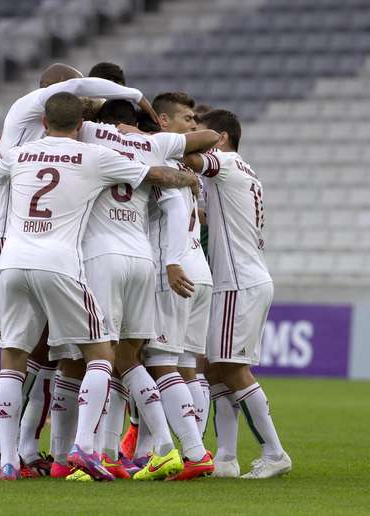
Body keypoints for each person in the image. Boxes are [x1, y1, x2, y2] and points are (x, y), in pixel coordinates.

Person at [0, 92, 199, 481]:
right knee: (103, 354)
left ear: (45, 122)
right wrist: (187, 179)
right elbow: (154, 174)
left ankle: (7, 460)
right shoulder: (92, 155)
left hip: (12, 262)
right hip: (63, 263)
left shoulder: (22, 154)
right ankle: (87, 449)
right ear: (81, 126)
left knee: (13, 360)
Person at [65, 99, 219, 481]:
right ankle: (120, 451)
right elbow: (206, 144)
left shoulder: (89, 141)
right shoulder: (158, 148)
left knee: (135, 360)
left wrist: (172, 260)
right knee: (147, 362)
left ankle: (175, 450)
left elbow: (176, 210)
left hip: (156, 263)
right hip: (165, 263)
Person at [184, 109, 292, 479]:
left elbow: (185, 156)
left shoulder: (225, 162)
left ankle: (275, 452)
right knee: (214, 368)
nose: (193, 136)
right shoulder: (243, 170)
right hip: (245, 277)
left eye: (200, 132)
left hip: (237, 281)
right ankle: (226, 459)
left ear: (221, 137)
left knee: (231, 367)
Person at [121, 92, 215, 480]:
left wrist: (172, 261)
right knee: (187, 366)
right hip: (200, 268)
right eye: (187, 119)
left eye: (194, 120)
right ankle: (181, 449)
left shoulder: (160, 159)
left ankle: (190, 452)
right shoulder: (181, 164)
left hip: (174, 269)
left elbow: (175, 210)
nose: (192, 126)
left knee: (160, 363)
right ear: (163, 120)